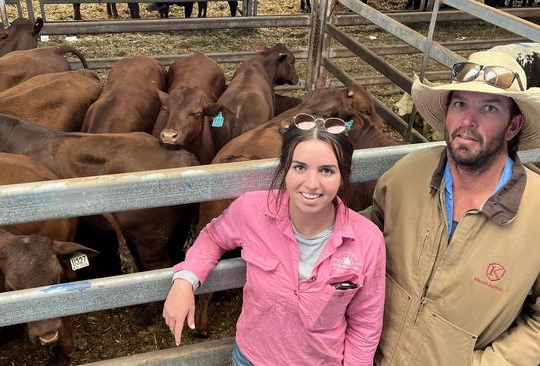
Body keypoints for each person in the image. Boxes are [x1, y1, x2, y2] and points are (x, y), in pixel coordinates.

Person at [361, 50, 540, 365]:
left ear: (513, 126)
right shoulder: (407, 174)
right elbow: (367, 231)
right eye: (460, 103)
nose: (468, 121)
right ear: (446, 113)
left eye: (489, 108)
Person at [163, 113, 386, 365]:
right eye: (300, 167)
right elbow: (213, 238)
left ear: (343, 176)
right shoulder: (251, 209)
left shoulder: (368, 240)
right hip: (252, 357)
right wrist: (185, 280)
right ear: (285, 169)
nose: (311, 183)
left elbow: (365, 325)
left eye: (326, 170)